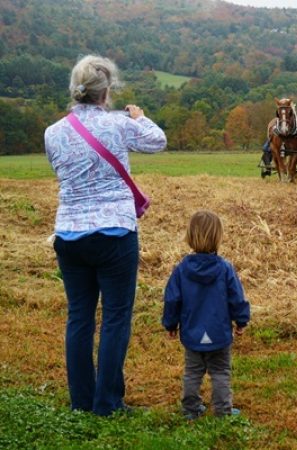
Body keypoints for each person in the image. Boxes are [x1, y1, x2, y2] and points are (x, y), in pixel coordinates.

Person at [44, 55, 167, 416]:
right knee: (115, 317)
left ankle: (81, 401)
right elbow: (158, 141)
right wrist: (139, 117)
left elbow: (60, 170)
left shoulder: (52, 132)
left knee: (79, 317)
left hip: (68, 233)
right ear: (107, 91)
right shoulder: (118, 124)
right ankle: (108, 403)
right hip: (115, 231)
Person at [162, 210, 251, 419]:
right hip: (219, 333)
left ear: (190, 237)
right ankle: (223, 411)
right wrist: (241, 320)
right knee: (220, 372)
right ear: (218, 237)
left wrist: (170, 324)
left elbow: (172, 299)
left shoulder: (182, 269)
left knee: (192, 372)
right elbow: (236, 297)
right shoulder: (225, 269)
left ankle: (190, 410)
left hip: (192, 333)